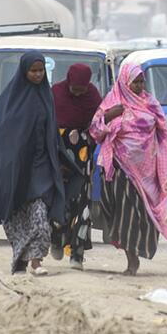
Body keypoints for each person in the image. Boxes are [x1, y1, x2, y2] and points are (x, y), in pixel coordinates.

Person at [90, 60, 167, 276]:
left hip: (147, 174)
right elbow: (95, 132)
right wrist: (110, 115)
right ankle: (130, 257)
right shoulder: (111, 103)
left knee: (141, 215)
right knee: (123, 213)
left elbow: (164, 136)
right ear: (124, 81)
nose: (139, 86)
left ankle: (135, 254)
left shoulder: (151, 104)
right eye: (135, 82)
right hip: (118, 170)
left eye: (142, 82)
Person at [0, 52, 65, 274]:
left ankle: (37, 261)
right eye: (33, 71)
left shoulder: (46, 97)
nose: (38, 75)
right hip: (16, 168)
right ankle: (20, 258)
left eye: (41, 71)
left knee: (40, 215)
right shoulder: (10, 101)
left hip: (40, 167)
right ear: (24, 72)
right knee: (16, 217)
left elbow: (51, 131)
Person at [50, 62, 102, 267]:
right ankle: (56, 240)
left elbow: (99, 123)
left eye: (83, 90)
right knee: (58, 200)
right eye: (75, 90)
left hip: (82, 159)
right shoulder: (55, 93)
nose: (79, 95)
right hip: (59, 155)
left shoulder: (93, 96)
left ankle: (77, 254)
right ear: (69, 81)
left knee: (82, 205)